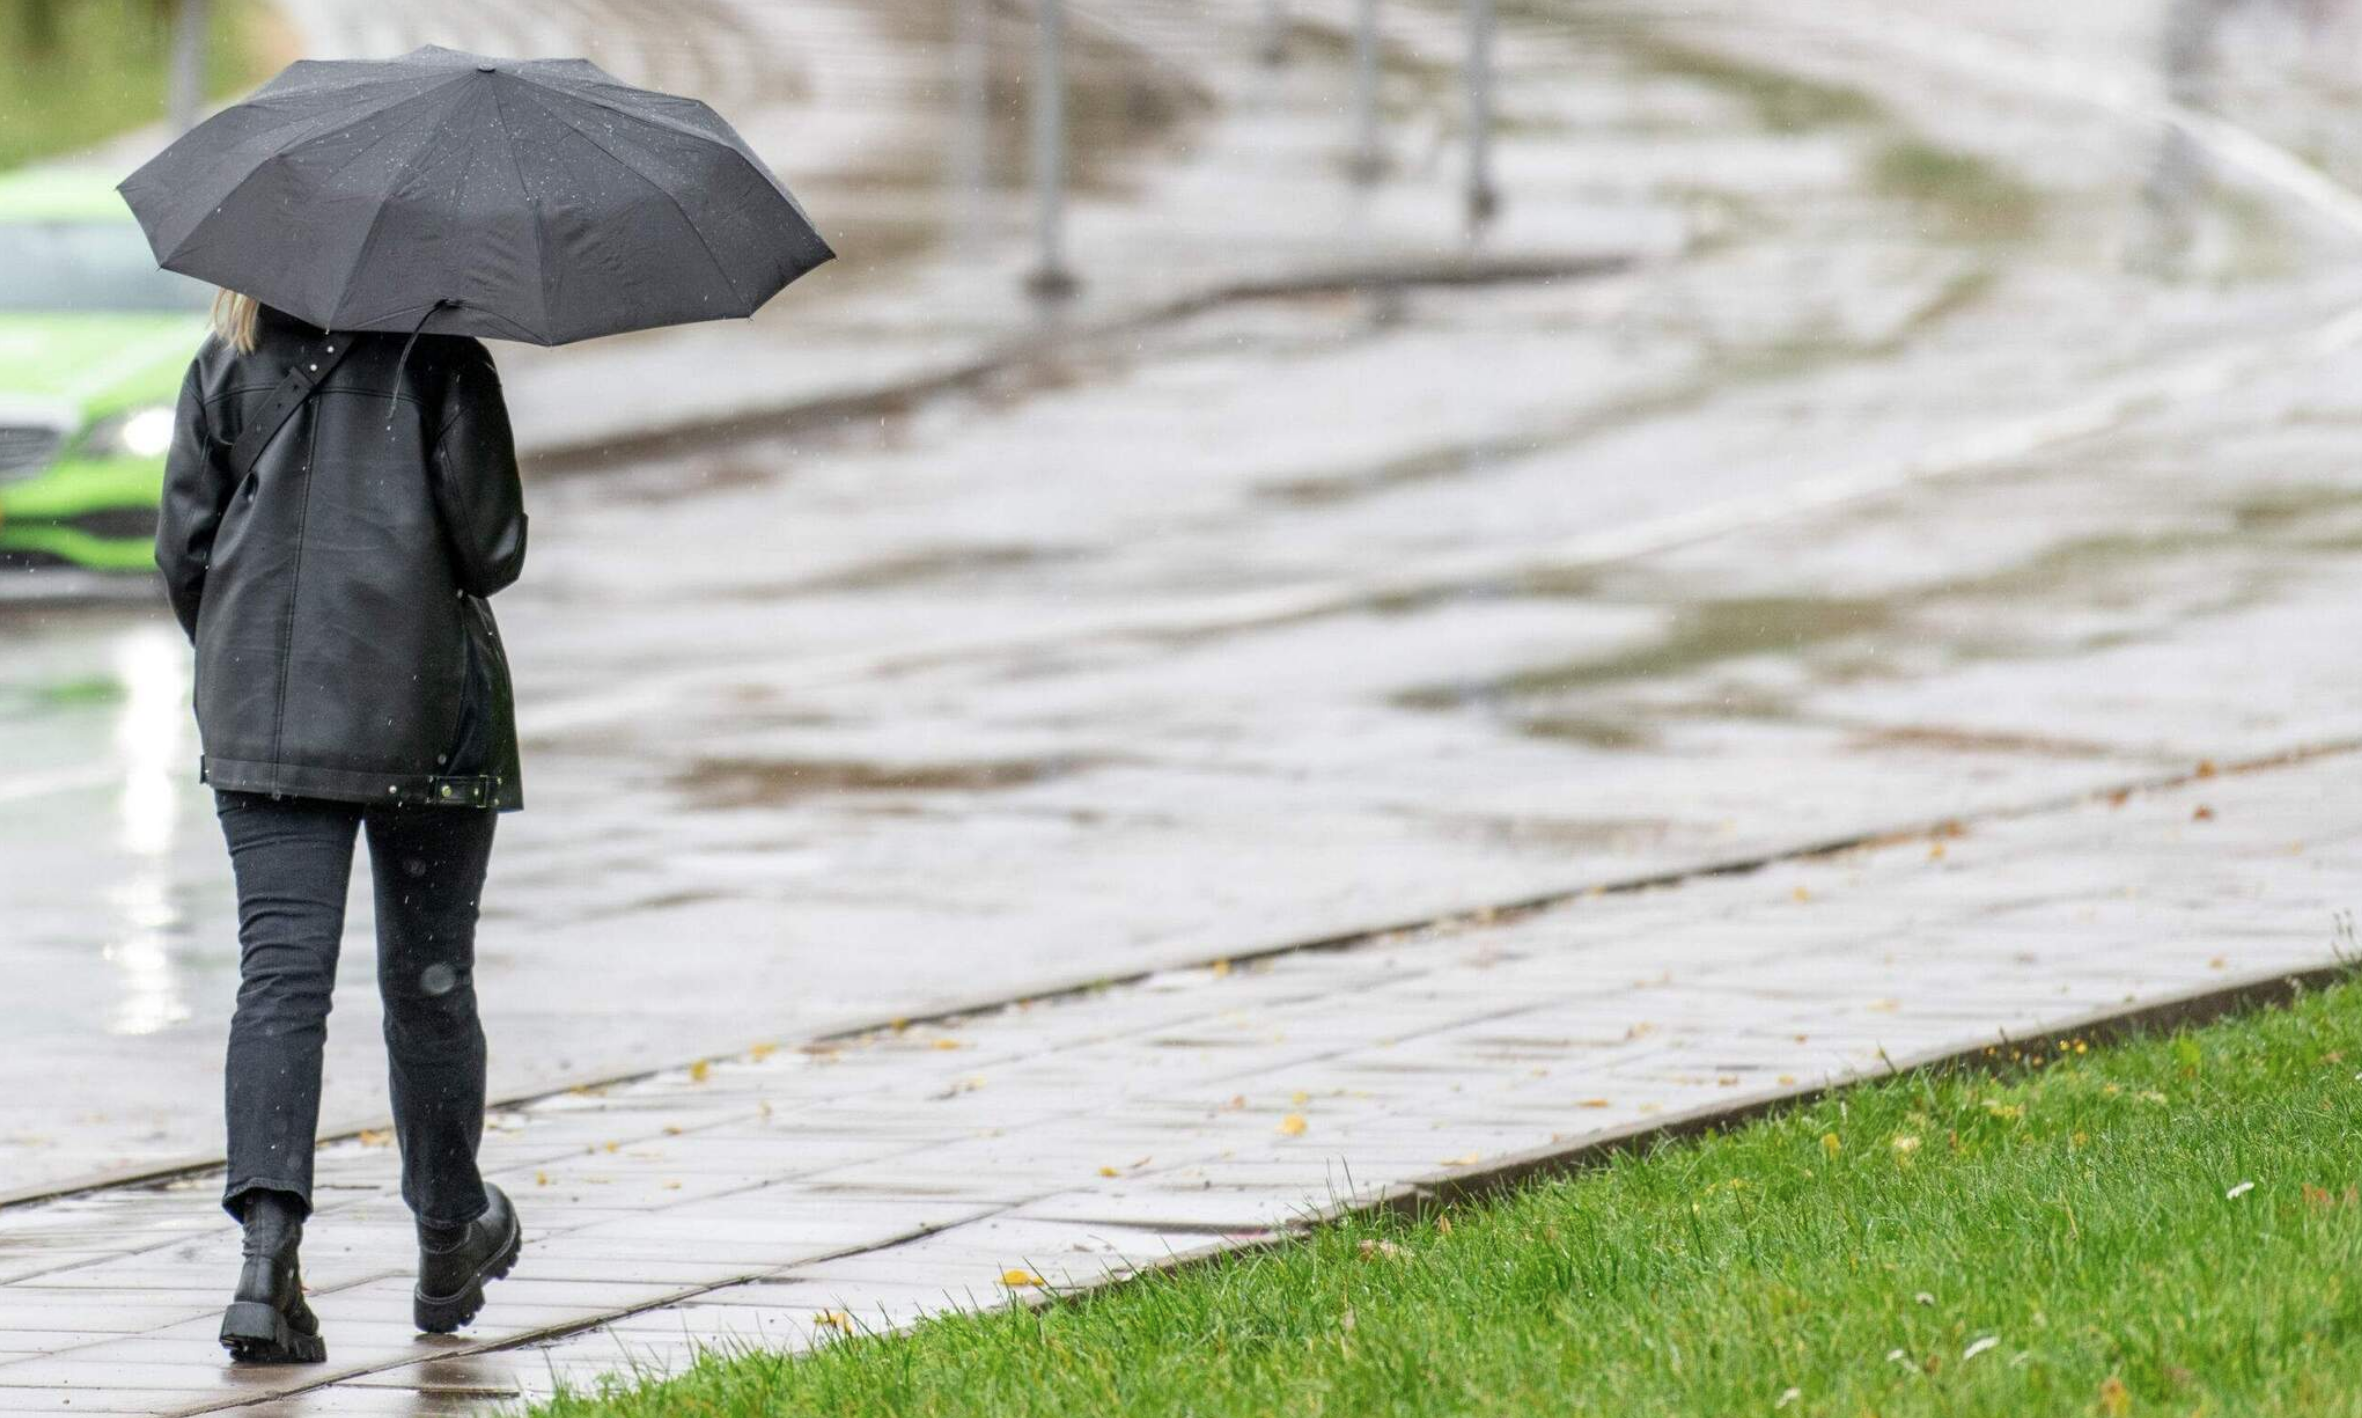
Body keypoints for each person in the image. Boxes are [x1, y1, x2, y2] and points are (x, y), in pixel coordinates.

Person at [158, 290, 529, 1365]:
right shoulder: (443, 361)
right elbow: (493, 548)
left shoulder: (224, 362)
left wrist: (253, 652)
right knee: (428, 981)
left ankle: (266, 1265)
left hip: (260, 712)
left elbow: (183, 553)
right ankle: (448, 1233)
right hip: (425, 711)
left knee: (280, 980)